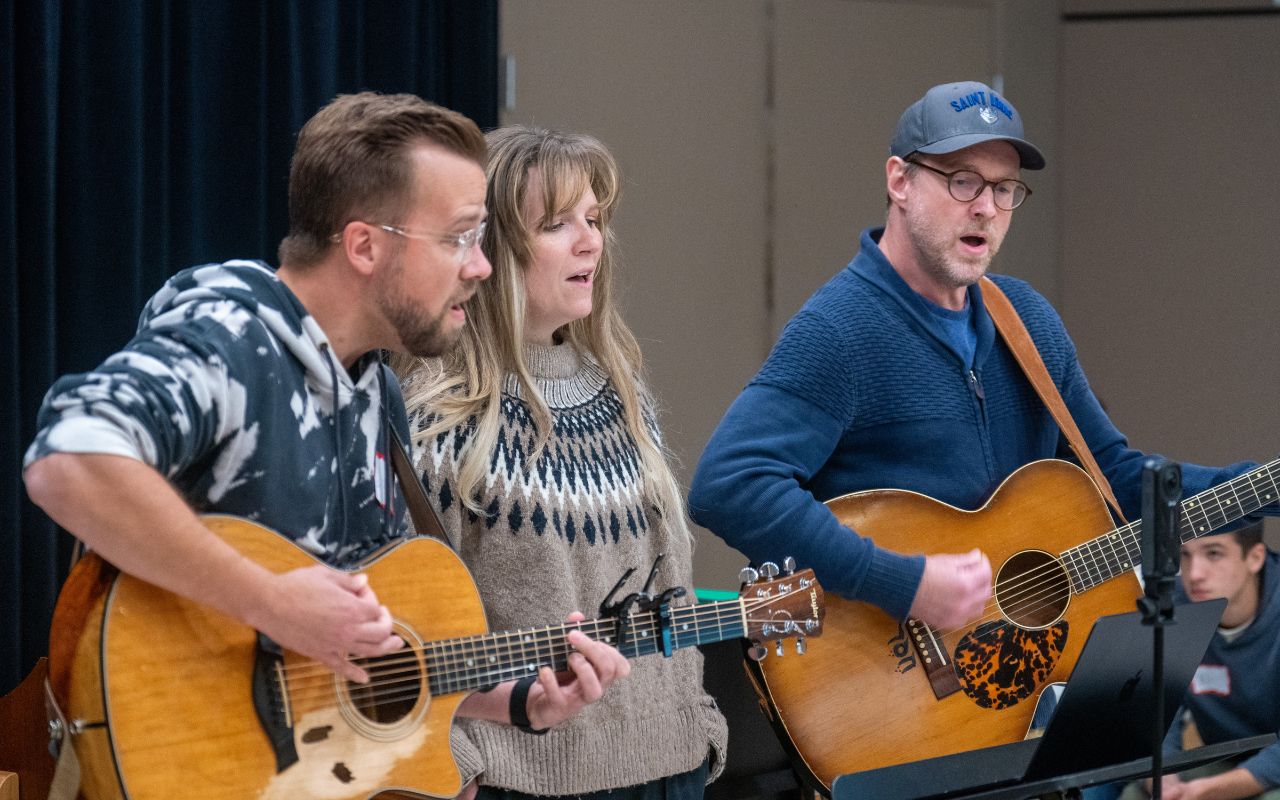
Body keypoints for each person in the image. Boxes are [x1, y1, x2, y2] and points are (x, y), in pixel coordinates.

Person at [23, 92, 626, 733]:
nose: (480, 266)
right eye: (458, 238)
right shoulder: (235, 333)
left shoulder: (374, 391)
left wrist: (516, 702)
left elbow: (349, 657)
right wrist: (272, 601)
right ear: (364, 246)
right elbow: (68, 460)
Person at [687, 79, 1273, 632]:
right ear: (900, 181)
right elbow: (730, 485)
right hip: (888, 689)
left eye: (1003, 189)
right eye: (963, 181)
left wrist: (1259, 487)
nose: (987, 208)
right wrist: (902, 582)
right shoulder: (841, 330)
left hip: (1004, 682)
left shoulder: (1027, 319)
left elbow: (1112, 479)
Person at [396, 125, 726, 799]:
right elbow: (410, 629)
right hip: (524, 783)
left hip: (673, 772)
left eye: (595, 219)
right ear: (487, 249)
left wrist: (701, 724)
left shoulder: (621, 386)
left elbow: (670, 578)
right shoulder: (441, 415)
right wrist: (459, 769)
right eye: (555, 225)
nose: (590, 242)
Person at [1142, 522, 1280, 800]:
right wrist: (1162, 779)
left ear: (1255, 557)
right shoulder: (1173, 606)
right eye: (1185, 555)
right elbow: (1160, 709)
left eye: (1214, 553)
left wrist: (1212, 791)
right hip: (1221, 756)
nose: (1194, 574)